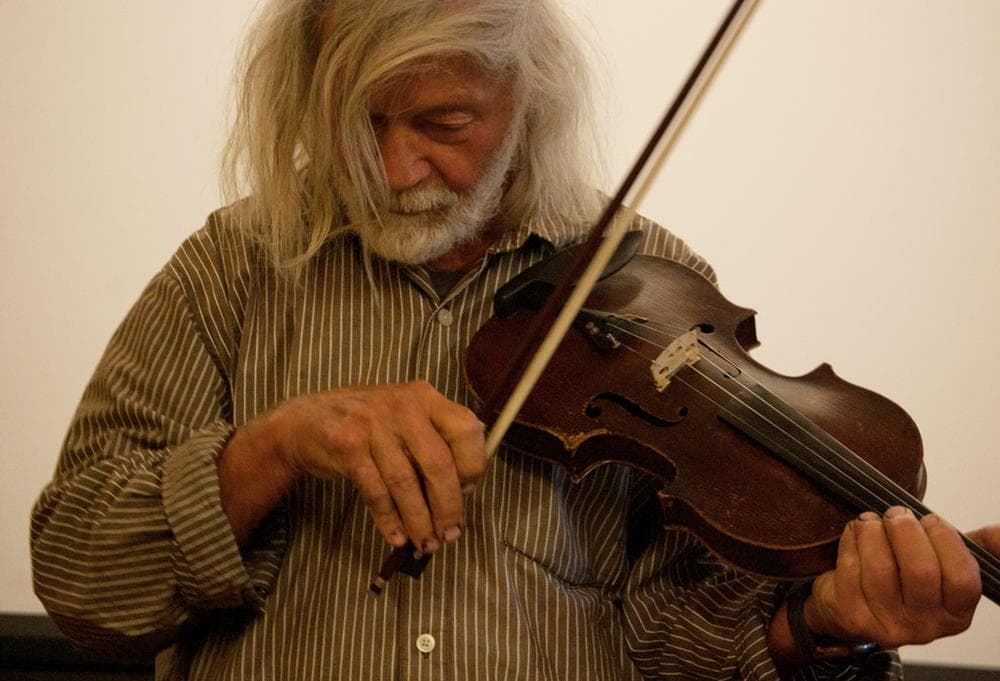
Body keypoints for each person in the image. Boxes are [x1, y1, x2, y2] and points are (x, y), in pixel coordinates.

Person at [30, 1, 999, 680]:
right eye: (355, 122)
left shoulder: (655, 282)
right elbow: (82, 578)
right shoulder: (233, 267)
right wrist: (277, 444)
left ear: (529, 97)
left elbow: (676, 644)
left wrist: (817, 624)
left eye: (444, 122)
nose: (394, 166)